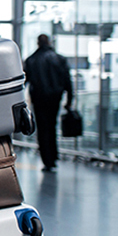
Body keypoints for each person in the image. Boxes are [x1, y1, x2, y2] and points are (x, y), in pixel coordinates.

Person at [24, 34, 74, 172]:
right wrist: (69, 100)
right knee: (52, 126)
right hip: (55, 98)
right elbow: (67, 81)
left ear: (37, 43)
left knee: (42, 128)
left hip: (39, 98)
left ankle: (47, 159)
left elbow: (24, 82)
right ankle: (54, 157)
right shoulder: (59, 59)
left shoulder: (31, 60)